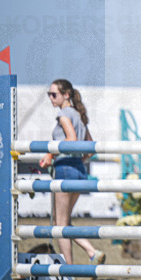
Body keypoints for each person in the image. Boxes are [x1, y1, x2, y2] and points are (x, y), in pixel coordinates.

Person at [39, 79, 106, 266]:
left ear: (66, 95)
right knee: (64, 221)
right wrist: (79, 160)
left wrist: (50, 154)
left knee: (60, 225)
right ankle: (91, 252)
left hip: (65, 168)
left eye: (54, 94)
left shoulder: (63, 115)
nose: (51, 98)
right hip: (78, 169)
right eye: (49, 94)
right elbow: (89, 148)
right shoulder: (79, 116)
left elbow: (71, 139)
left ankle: (68, 270)